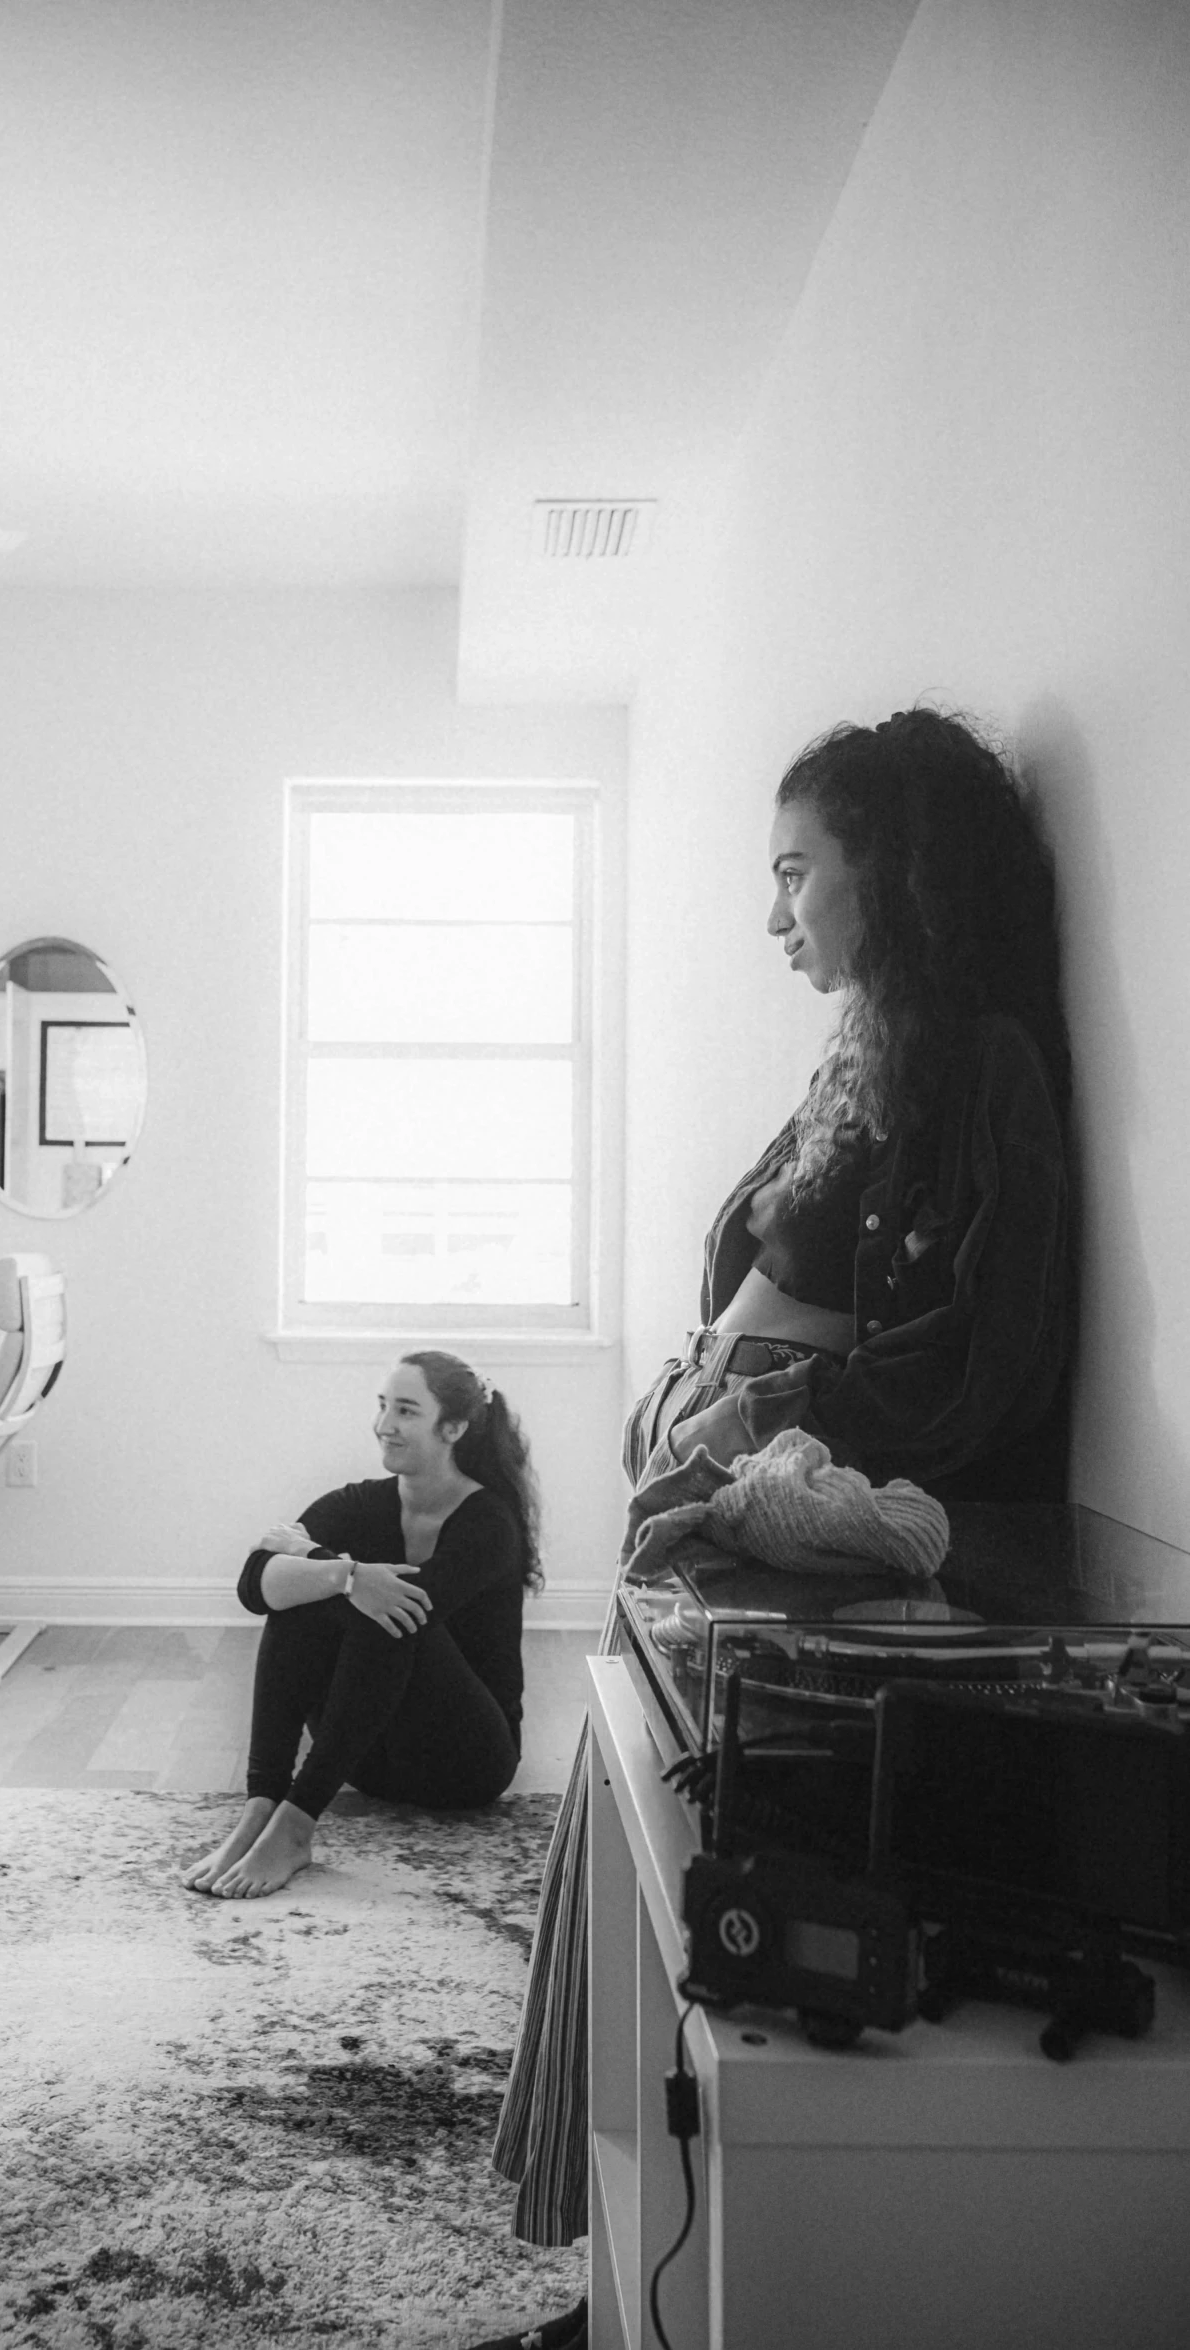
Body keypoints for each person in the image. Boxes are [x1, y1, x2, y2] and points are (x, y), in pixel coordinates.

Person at [473, 708, 1072, 2350]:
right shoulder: (859, 1048)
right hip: (718, 1521)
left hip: (797, 1550)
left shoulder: (984, 1068)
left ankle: (633, 2276)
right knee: (615, 1872)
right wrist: (698, 1385)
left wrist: (748, 1414)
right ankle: (588, 2258)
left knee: (675, 1915)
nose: (775, 913)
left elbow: (982, 1360)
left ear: (893, 869)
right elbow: (762, 1262)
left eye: (795, 872)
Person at [183, 1349, 542, 1899]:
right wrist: (345, 1572)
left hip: (465, 1763)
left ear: (453, 1427)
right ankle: (262, 1807)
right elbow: (255, 1583)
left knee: (391, 1612)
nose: (383, 1426)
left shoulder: (489, 1522)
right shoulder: (359, 1503)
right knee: (314, 1596)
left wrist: (322, 1563)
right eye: (382, 1406)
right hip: (369, 1760)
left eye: (405, 1411)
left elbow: (405, 1607)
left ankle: (295, 1827)